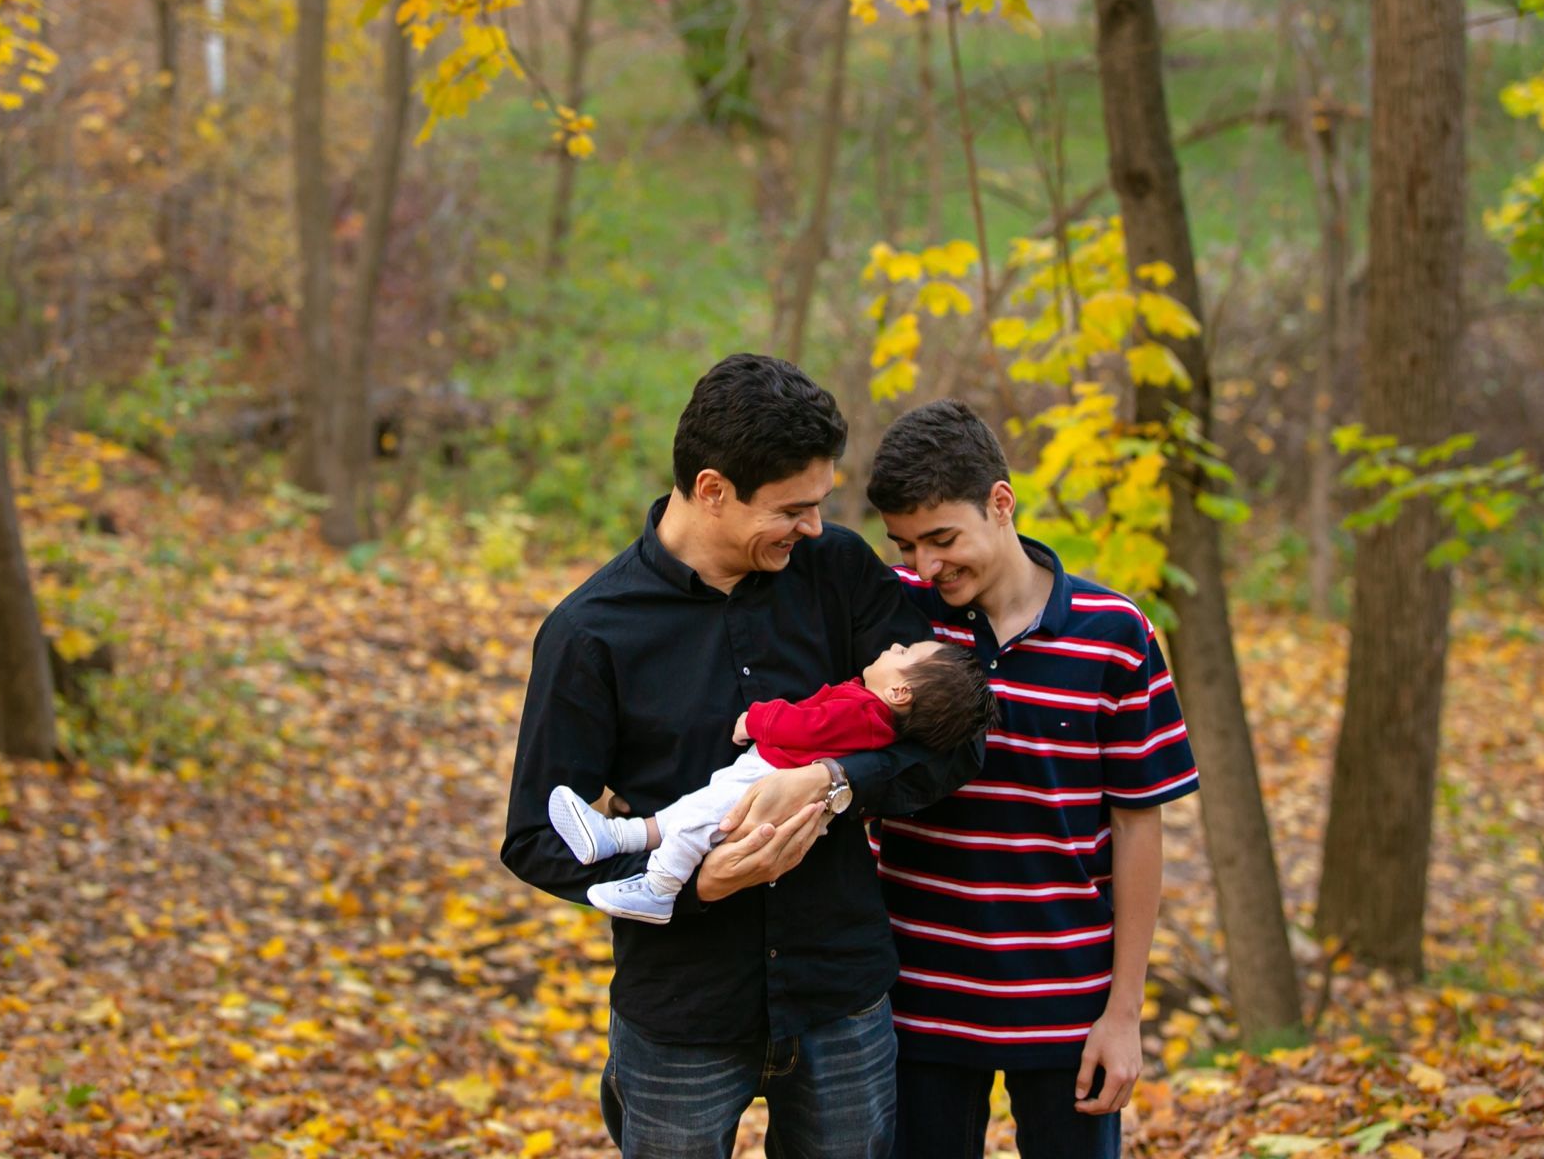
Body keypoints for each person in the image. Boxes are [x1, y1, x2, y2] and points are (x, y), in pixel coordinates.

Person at [501, 355, 982, 1159]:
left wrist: (834, 782)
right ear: (714, 490)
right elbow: (537, 841)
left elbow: (955, 736)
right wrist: (695, 886)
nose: (815, 528)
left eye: (819, 504)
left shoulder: (839, 576)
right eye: (793, 509)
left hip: (841, 998)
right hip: (682, 1013)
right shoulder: (592, 632)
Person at [864, 399, 1200, 1159]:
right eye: (906, 544)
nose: (926, 566)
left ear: (1001, 503)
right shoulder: (893, 615)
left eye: (943, 538)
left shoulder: (1116, 635)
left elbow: (1138, 826)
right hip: (916, 1006)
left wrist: (1125, 1013)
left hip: (1068, 1009)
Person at [549, 639, 995, 923]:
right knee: (691, 811)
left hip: (769, 779)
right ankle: (614, 836)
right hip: (764, 771)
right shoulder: (871, 713)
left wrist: (757, 719)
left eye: (904, 655)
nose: (895, 645)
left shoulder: (863, 712)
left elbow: (806, 726)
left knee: (700, 823)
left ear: (901, 692)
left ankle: (659, 888)